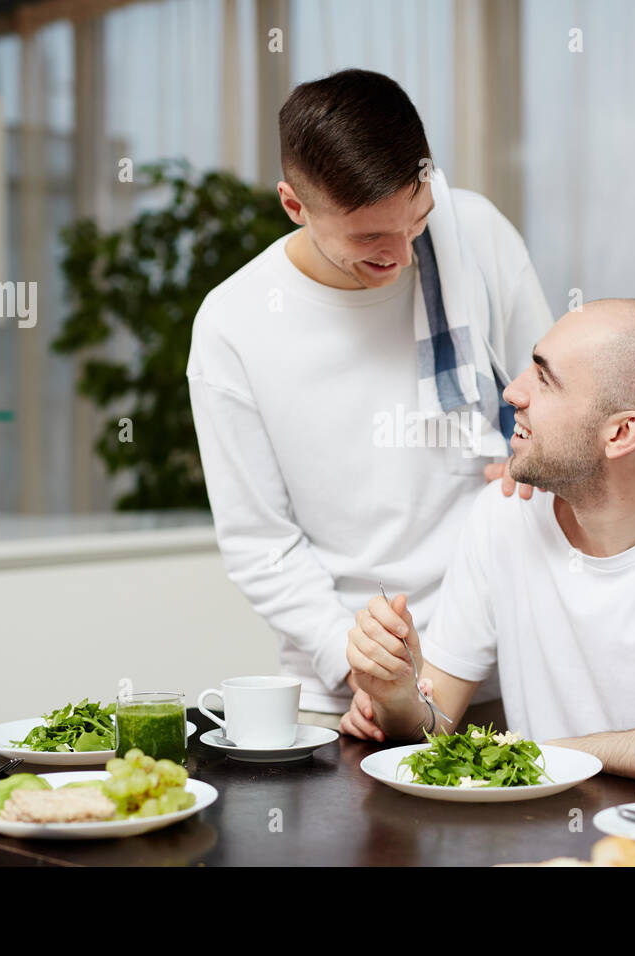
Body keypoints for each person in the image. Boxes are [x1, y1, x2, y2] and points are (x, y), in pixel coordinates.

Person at [187, 68, 554, 737]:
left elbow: (555, 394)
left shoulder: (473, 231)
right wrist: (356, 664)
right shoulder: (233, 324)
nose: (402, 253)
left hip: (503, 672)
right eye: (367, 238)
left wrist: (541, 455)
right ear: (294, 205)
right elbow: (259, 541)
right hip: (338, 700)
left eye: (414, 221)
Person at [346, 299, 635, 798]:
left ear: (622, 432)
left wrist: (546, 753)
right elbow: (432, 725)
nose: (512, 392)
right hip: (553, 844)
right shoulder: (504, 518)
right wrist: (395, 694)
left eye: (545, 380)